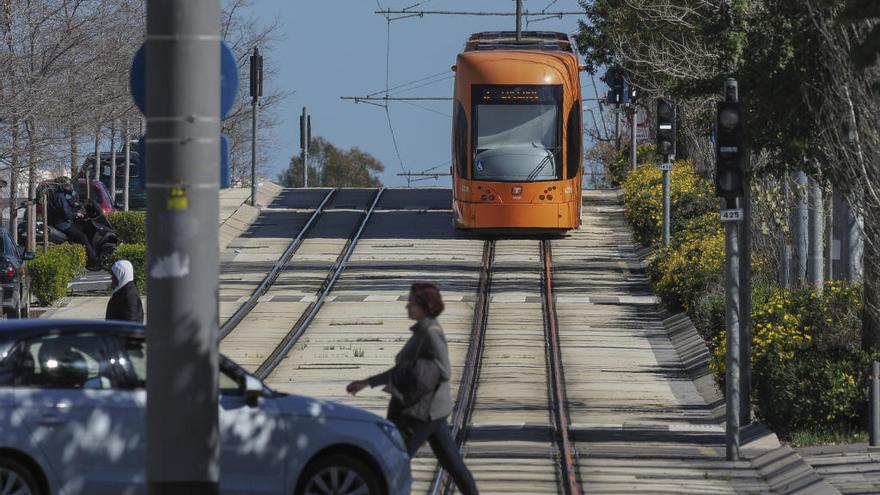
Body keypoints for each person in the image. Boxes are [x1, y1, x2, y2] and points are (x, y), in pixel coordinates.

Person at [347, 283, 478, 495]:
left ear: (425, 306)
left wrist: (416, 380)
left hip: (422, 412)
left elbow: (443, 370)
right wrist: (367, 382)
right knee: (452, 463)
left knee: (395, 459)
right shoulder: (423, 330)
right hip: (432, 411)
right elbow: (404, 370)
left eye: (412, 303)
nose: (407, 307)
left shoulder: (430, 332)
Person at [47, 177, 99, 269]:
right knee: (83, 236)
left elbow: (66, 205)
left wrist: (76, 205)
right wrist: (76, 214)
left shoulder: (58, 195)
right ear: (62, 186)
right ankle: (93, 262)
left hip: (58, 221)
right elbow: (67, 214)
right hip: (61, 224)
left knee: (81, 229)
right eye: (67, 185)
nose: (69, 187)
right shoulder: (60, 197)